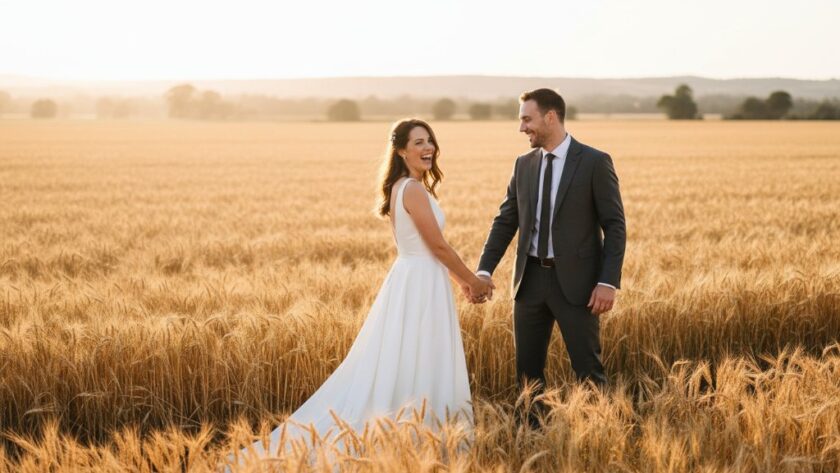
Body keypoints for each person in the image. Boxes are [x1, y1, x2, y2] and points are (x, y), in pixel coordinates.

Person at [224, 118, 487, 470]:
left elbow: (427, 250)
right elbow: (437, 245)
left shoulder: (400, 186)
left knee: (408, 358)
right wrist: (473, 279)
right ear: (401, 150)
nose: (428, 148)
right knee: (419, 356)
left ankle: (416, 436)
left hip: (416, 279)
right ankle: (418, 437)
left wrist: (461, 283)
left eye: (431, 141)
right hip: (420, 283)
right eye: (419, 142)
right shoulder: (412, 189)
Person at [474, 88, 626, 428]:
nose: (522, 128)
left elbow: (615, 226)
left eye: (527, 119)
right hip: (529, 282)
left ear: (550, 117)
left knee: (588, 370)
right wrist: (483, 270)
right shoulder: (523, 164)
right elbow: (505, 221)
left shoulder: (593, 162)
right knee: (527, 374)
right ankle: (531, 439)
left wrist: (607, 281)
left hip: (577, 285)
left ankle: (596, 436)